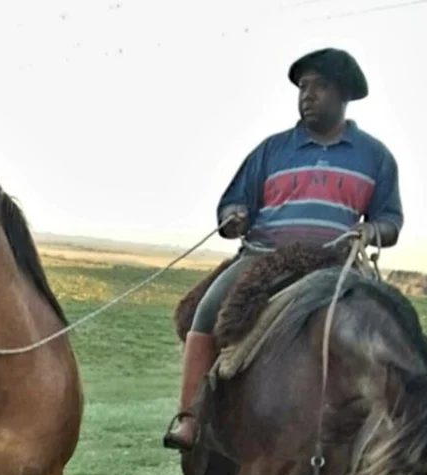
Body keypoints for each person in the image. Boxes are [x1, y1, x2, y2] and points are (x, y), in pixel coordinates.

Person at [163, 47, 405, 451]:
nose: (307, 95)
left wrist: (374, 230)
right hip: (264, 257)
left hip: (336, 262)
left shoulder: (375, 157)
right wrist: (236, 215)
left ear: (343, 95)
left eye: (320, 86)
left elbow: (391, 221)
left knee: (387, 327)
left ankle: (385, 427)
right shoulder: (271, 150)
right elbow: (231, 204)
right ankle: (189, 418)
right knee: (206, 313)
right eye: (303, 87)